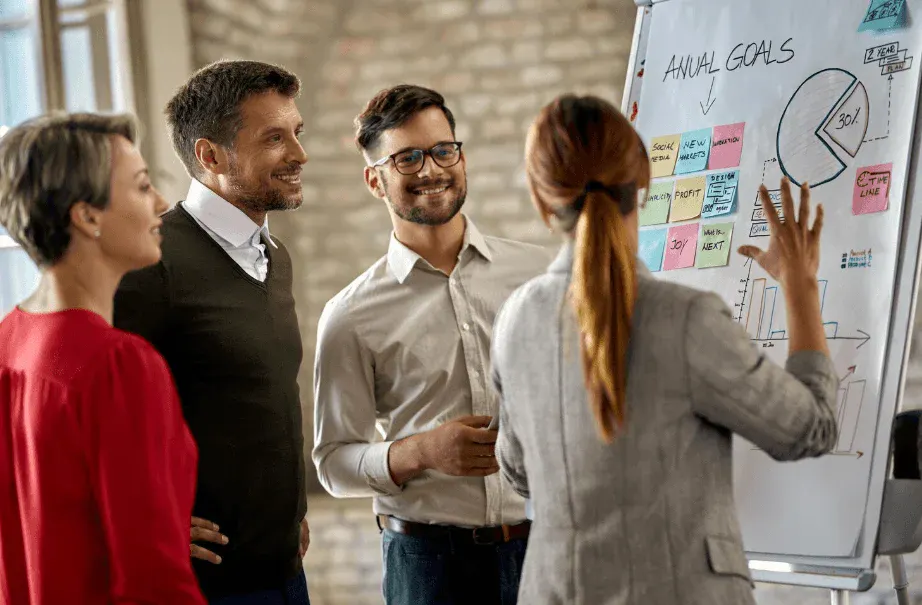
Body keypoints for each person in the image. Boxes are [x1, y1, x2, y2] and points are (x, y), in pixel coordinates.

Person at [492, 94, 839, 605]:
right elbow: (810, 429)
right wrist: (800, 286)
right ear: (642, 183)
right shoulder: (686, 318)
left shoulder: (513, 320)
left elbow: (518, 472)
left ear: (543, 201)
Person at [312, 84, 552, 605]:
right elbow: (333, 463)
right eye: (407, 158)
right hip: (428, 569)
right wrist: (421, 451)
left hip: (545, 549)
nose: (431, 170)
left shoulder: (540, 276)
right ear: (375, 181)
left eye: (444, 150)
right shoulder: (349, 315)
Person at [113, 60, 311, 604]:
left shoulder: (276, 257)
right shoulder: (151, 261)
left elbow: (263, 399)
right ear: (210, 155)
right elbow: (86, 415)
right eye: (275, 138)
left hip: (285, 570)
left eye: (297, 132)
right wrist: (140, 519)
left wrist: (289, 511)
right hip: (203, 587)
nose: (299, 155)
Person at [0, 113, 204, 604]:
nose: (160, 204)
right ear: (87, 216)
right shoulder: (119, 365)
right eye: (141, 186)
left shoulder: (7, 342)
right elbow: (154, 584)